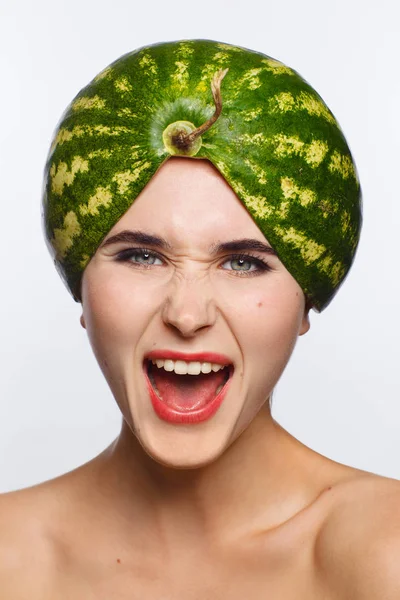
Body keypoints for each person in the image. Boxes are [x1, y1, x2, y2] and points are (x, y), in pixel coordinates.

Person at [1, 40, 399, 599]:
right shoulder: (10, 559)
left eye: (243, 262)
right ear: (82, 290)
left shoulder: (385, 553)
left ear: (306, 299)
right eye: (142, 256)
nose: (187, 315)